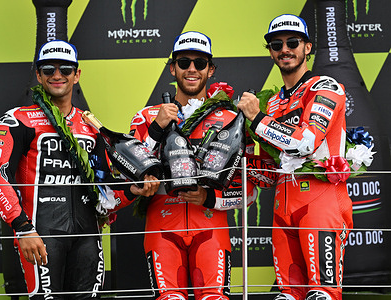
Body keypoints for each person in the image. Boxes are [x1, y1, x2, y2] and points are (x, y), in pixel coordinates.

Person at [0, 40, 159, 299]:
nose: (57, 75)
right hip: (41, 235)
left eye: (65, 69)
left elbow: (104, 192)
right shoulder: (18, 120)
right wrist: (23, 229)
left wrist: (132, 191)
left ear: (76, 75)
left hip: (88, 236)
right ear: (38, 75)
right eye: (48, 69)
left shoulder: (91, 127)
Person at [119, 31, 277, 300]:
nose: (192, 69)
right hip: (162, 227)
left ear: (211, 69)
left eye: (200, 63)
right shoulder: (147, 116)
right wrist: (156, 128)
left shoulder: (231, 119)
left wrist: (208, 198)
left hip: (211, 228)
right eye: (183, 62)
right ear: (172, 68)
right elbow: (127, 172)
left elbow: (248, 193)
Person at [237, 14, 353, 300]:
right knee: (287, 296)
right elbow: (269, 167)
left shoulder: (325, 87)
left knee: (322, 295)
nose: (284, 49)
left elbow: (306, 143)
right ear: (271, 51)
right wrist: (235, 161)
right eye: (276, 44)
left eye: (292, 42)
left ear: (308, 48)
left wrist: (257, 118)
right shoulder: (273, 101)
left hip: (321, 199)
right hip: (282, 205)